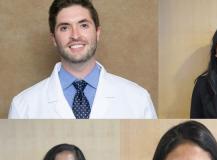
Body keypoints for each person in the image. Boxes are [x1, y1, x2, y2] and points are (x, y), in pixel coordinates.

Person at [9, 0, 157, 119]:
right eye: (65, 28)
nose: (75, 35)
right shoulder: (23, 106)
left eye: (84, 25)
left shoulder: (138, 98)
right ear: (53, 38)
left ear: (97, 33)